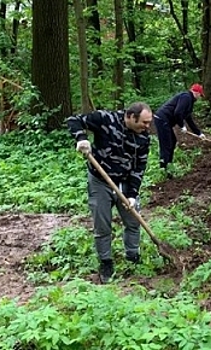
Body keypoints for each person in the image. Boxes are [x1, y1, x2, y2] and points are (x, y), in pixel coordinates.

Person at [67, 102, 153, 283]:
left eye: (149, 122)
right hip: (100, 181)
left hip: (124, 182)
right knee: (102, 224)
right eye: (144, 123)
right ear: (130, 116)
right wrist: (81, 138)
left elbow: (139, 168)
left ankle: (132, 257)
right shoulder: (105, 119)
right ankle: (106, 262)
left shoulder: (144, 138)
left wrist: (132, 194)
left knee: (133, 220)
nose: (147, 127)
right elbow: (74, 120)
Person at [153, 83, 206, 174]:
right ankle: (163, 168)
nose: (200, 98)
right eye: (200, 95)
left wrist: (199, 133)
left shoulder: (190, 101)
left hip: (166, 121)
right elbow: (177, 113)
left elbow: (189, 119)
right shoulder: (186, 97)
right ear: (196, 93)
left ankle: (168, 164)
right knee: (166, 144)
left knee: (172, 141)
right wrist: (182, 126)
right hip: (162, 119)